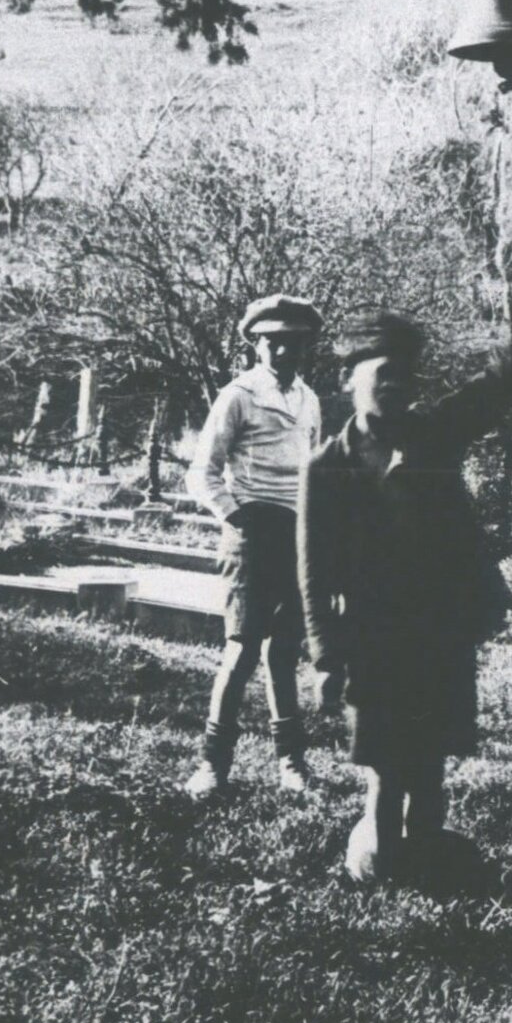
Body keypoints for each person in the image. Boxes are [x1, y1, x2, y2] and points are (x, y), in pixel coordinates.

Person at [298, 311, 512, 885]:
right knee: (383, 764)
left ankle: (423, 856)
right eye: (384, 375)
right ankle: (381, 872)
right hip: (373, 638)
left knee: (429, 758)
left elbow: (494, 390)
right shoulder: (327, 468)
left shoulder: (433, 436)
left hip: (438, 629)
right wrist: (325, 658)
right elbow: (314, 572)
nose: (397, 388)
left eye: (407, 378)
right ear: (349, 378)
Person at [184, 293, 324, 803]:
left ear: (306, 346)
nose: (283, 353)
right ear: (255, 344)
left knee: (284, 651)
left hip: (296, 533)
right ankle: (212, 765)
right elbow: (201, 473)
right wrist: (237, 517)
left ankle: (291, 762)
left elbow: (313, 470)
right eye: (272, 343)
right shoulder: (239, 394)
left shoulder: (309, 399)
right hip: (249, 532)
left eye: (293, 343)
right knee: (242, 649)